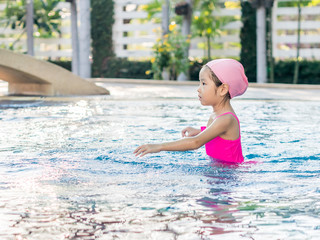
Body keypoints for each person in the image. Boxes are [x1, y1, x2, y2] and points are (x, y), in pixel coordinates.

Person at [134, 59, 248, 163]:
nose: (198, 89)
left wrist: (159, 146)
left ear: (223, 89)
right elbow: (217, 135)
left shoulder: (227, 119)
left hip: (230, 174)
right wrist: (200, 130)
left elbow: (195, 142)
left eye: (204, 83)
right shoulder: (217, 115)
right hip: (220, 171)